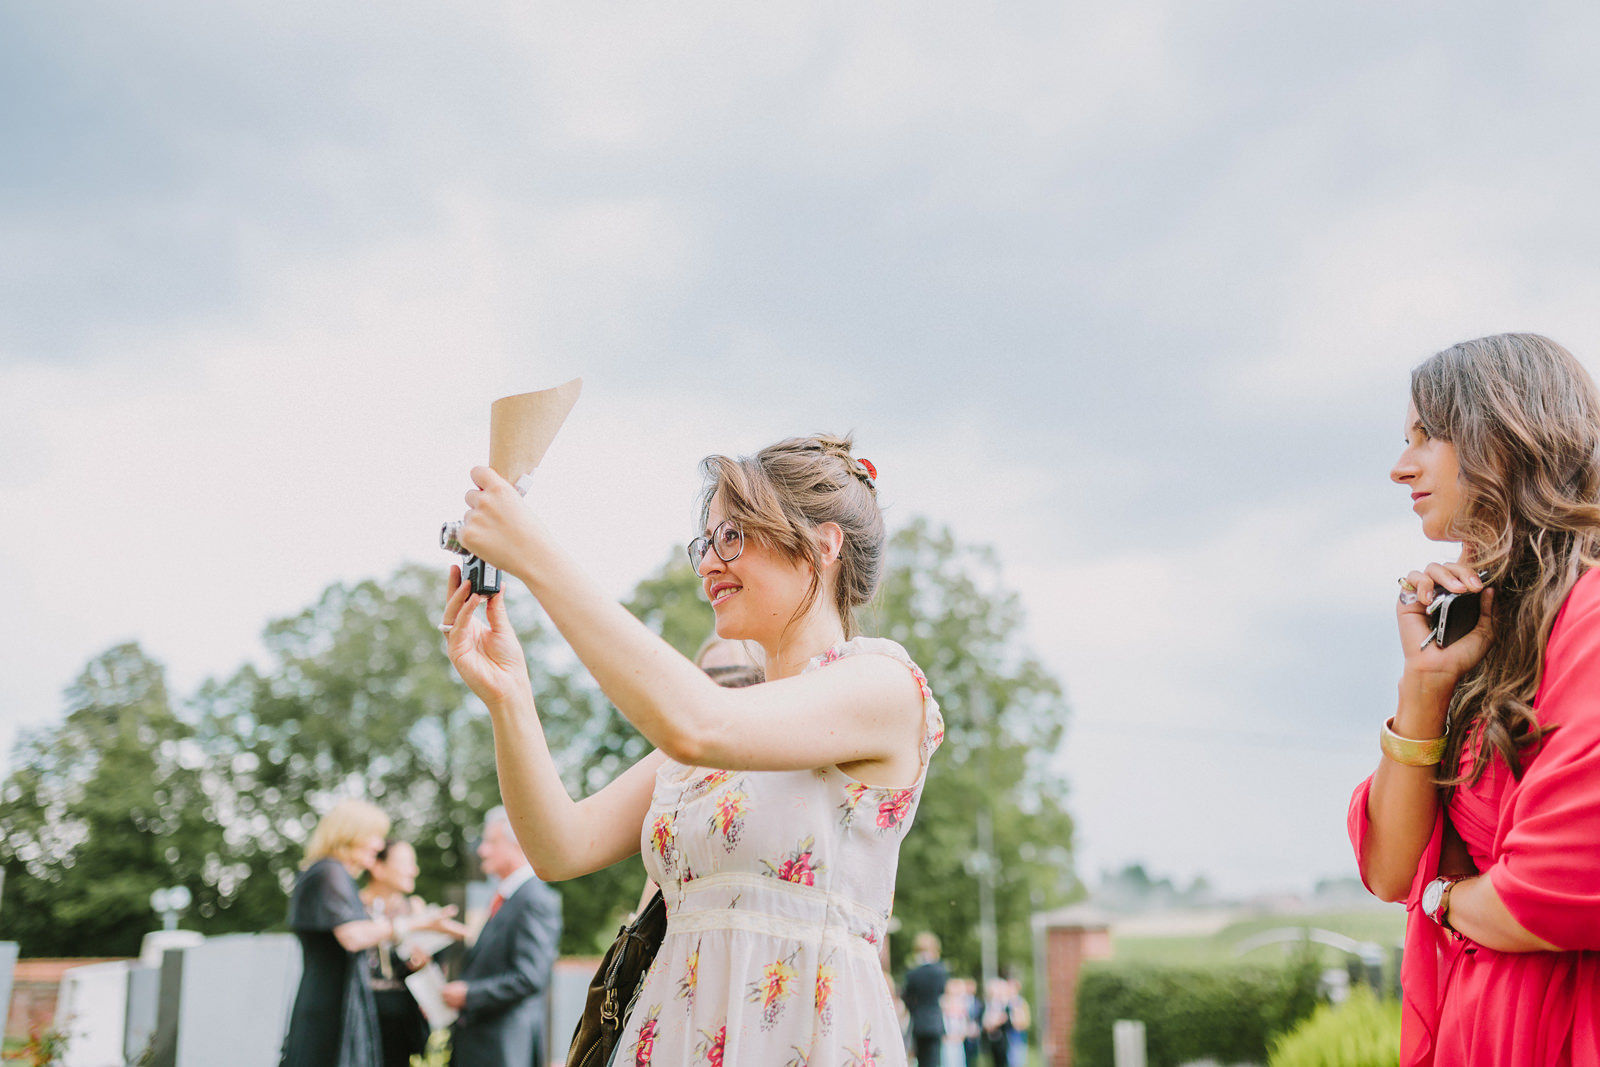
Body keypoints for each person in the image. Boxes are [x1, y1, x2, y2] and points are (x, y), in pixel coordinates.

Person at [442, 434, 944, 1066]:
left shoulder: (883, 684)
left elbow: (698, 723)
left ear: (823, 543)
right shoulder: (720, 728)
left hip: (800, 1039)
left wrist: (534, 553)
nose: (708, 563)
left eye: (731, 537)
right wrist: (509, 695)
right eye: (705, 543)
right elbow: (559, 846)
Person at [1350, 333, 1600, 1065]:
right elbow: (1391, 867)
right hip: (1482, 1031)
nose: (1400, 467)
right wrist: (1424, 686)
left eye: (1427, 438)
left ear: (1503, 433)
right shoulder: (1481, 627)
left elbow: (1566, 877)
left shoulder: (1588, 613)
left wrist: (1445, 902)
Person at [280, 801, 455, 1067]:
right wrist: (416, 924)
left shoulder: (331, 873)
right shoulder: (329, 870)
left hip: (331, 1005)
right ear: (351, 835)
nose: (379, 845)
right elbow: (352, 937)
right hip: (329, 1010)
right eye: (375, 837)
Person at [444, 807, 563, 1067]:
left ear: (517, 843)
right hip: (483, 1046)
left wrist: (469, 994)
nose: (482, 850)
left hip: (503, 1050)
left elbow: (530, 977)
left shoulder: (533, 900)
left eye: (490, 842)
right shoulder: (506, 898)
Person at [361, 839, 468, 1067]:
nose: (414, 870)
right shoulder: (355, 910)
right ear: (377, 867)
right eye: (405, 862)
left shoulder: (417, 908)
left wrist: (418, 965)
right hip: (364, 1016)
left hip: (403, 1022)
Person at [902, 932, 949, 1066]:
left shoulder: (913, 974)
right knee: (934, 1060)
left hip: (919, 1021)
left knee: (922, 1060)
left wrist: (915, 1009)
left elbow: (907, 997)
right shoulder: (941, 972)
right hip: (935, 1022)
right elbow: (942, 992)